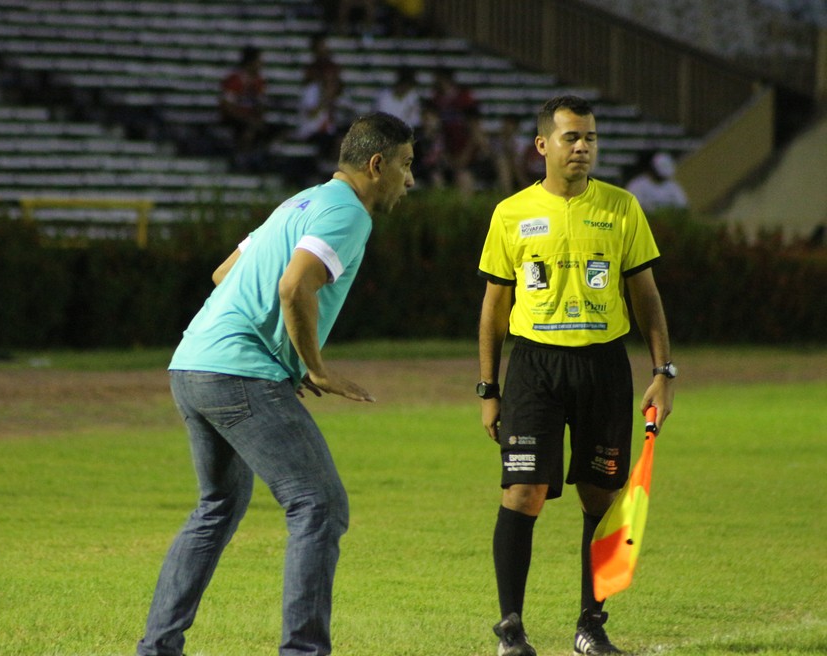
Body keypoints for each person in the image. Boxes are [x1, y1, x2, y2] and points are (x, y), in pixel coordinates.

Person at [137, 112, 415, 656]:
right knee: (319, 504)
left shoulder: (299, 201)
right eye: (406, 166)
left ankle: (157, 648)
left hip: (192, 362)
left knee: (217, 507)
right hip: (239, 372)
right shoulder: (350, 214)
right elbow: (293, 288)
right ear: (376, 165)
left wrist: (285, 351)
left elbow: (225, 274)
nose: (411, 180)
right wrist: (316, 367)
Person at [476, 95, 675, 656]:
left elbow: (647, 297)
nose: (583, 147)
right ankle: (510, 629)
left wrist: (664, 371)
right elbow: (494, 307)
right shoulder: (510, 213)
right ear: (543, 145)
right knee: (523, 491)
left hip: (603, 365)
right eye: (571, 137)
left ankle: (591, 625)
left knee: (601, 496)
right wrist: (488, 388)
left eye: (590, 137)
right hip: (534, 366)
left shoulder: (621, 208)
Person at [219, 46, 272, 171]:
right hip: (234, 118)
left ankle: (259, 157)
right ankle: (241, 159)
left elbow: (261, 104)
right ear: (251, 62)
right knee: (248, 129)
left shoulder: (259, 81)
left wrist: (257, 118)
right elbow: (226, 106)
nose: (261, 64)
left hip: (250, 119)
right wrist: (247, 119)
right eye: (259, 61)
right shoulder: (235, 79)